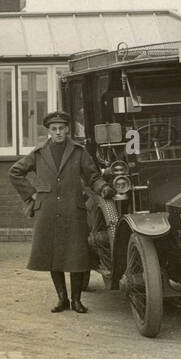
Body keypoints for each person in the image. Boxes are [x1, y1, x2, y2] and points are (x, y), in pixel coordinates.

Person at [8, 110, 109, 312]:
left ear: (67, 129)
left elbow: (93, 176)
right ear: (49, 131)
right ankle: (62, 299)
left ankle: (77, 301)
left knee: (77, 256)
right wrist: (32, 194)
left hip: (73, 209)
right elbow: (15, 172)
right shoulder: (39, 153)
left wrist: (103, 188)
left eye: (61, 128)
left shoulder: (79, 151)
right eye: (54, 129)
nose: (58, 132)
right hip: (48, 210)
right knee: (53, 255)